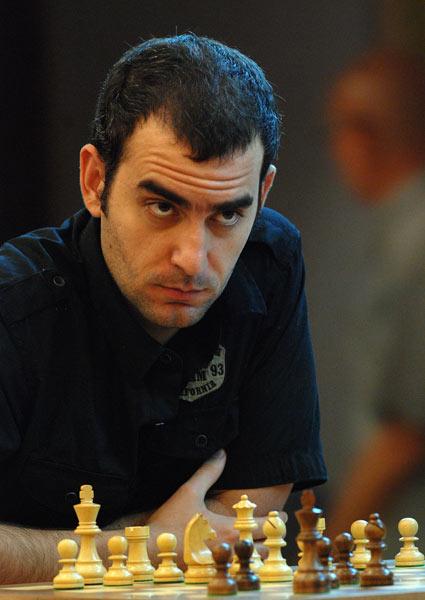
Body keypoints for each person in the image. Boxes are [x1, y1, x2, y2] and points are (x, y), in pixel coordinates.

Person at [0, 34, 326, 583]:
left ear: (263, 192)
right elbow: (195, 535)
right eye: (161, 206)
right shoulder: (13, 306)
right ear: (95, 181)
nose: (193, 260)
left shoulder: (269, 261)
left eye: (227, 215)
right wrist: (142, 543)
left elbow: (255, 501)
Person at [324, 48, 425, 545]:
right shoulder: (400, 233)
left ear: (362, 137)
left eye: (335, 132)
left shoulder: (416, 243)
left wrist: (332, 547)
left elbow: (406, 431)